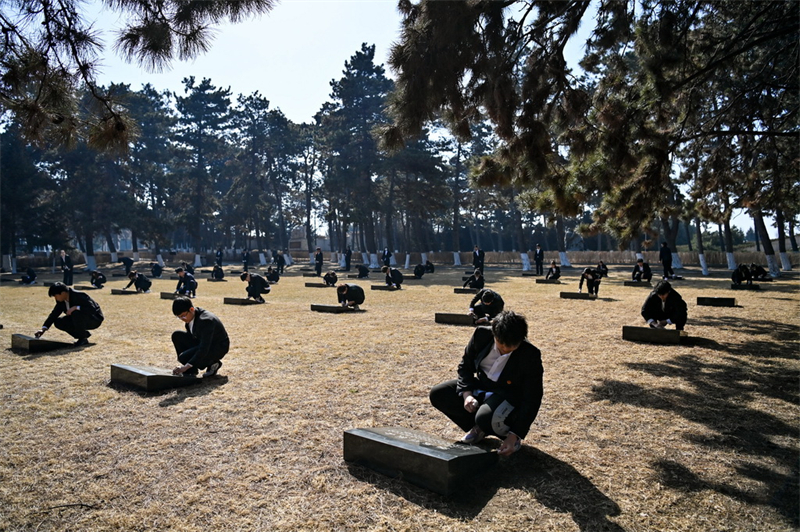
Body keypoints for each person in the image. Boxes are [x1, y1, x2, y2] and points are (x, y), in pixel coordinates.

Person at [429, 310, 543, 456]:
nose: (506, 350)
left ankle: (497, 430)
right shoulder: (481, 335)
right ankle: (478, 428)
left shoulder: (530, 354)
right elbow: (465, 366)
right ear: (494, 334)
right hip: (482, 386)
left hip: (507, 394)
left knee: (484, 417)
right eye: (502, 346)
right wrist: (467, 395)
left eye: (512, 347)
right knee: (439, 393)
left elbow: (532, 397)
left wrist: (515, 434)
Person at [171, 296, 229, 378]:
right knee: (177, 335)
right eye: (179, 317)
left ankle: (212, 363)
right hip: (203, 342)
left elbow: (204, 347)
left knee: (183, 357)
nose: (182, 319)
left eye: (183, 316)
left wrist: (186, 365)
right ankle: (192, 370)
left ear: (191, 309)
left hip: (217, 347)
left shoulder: (206, 320)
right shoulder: (192, 316)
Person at [34, 282, 104, 346]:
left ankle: (82, 338)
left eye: (55, 296)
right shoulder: (61, 301)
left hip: (94, 319)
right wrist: (43, 329)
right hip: (78, 319)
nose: (55, 298)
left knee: (75, 313)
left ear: (63, 293)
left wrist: (76, 307)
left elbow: (92, 309)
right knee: (58, 322)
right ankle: (83, 335)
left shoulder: (79, 295)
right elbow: (54, 314)